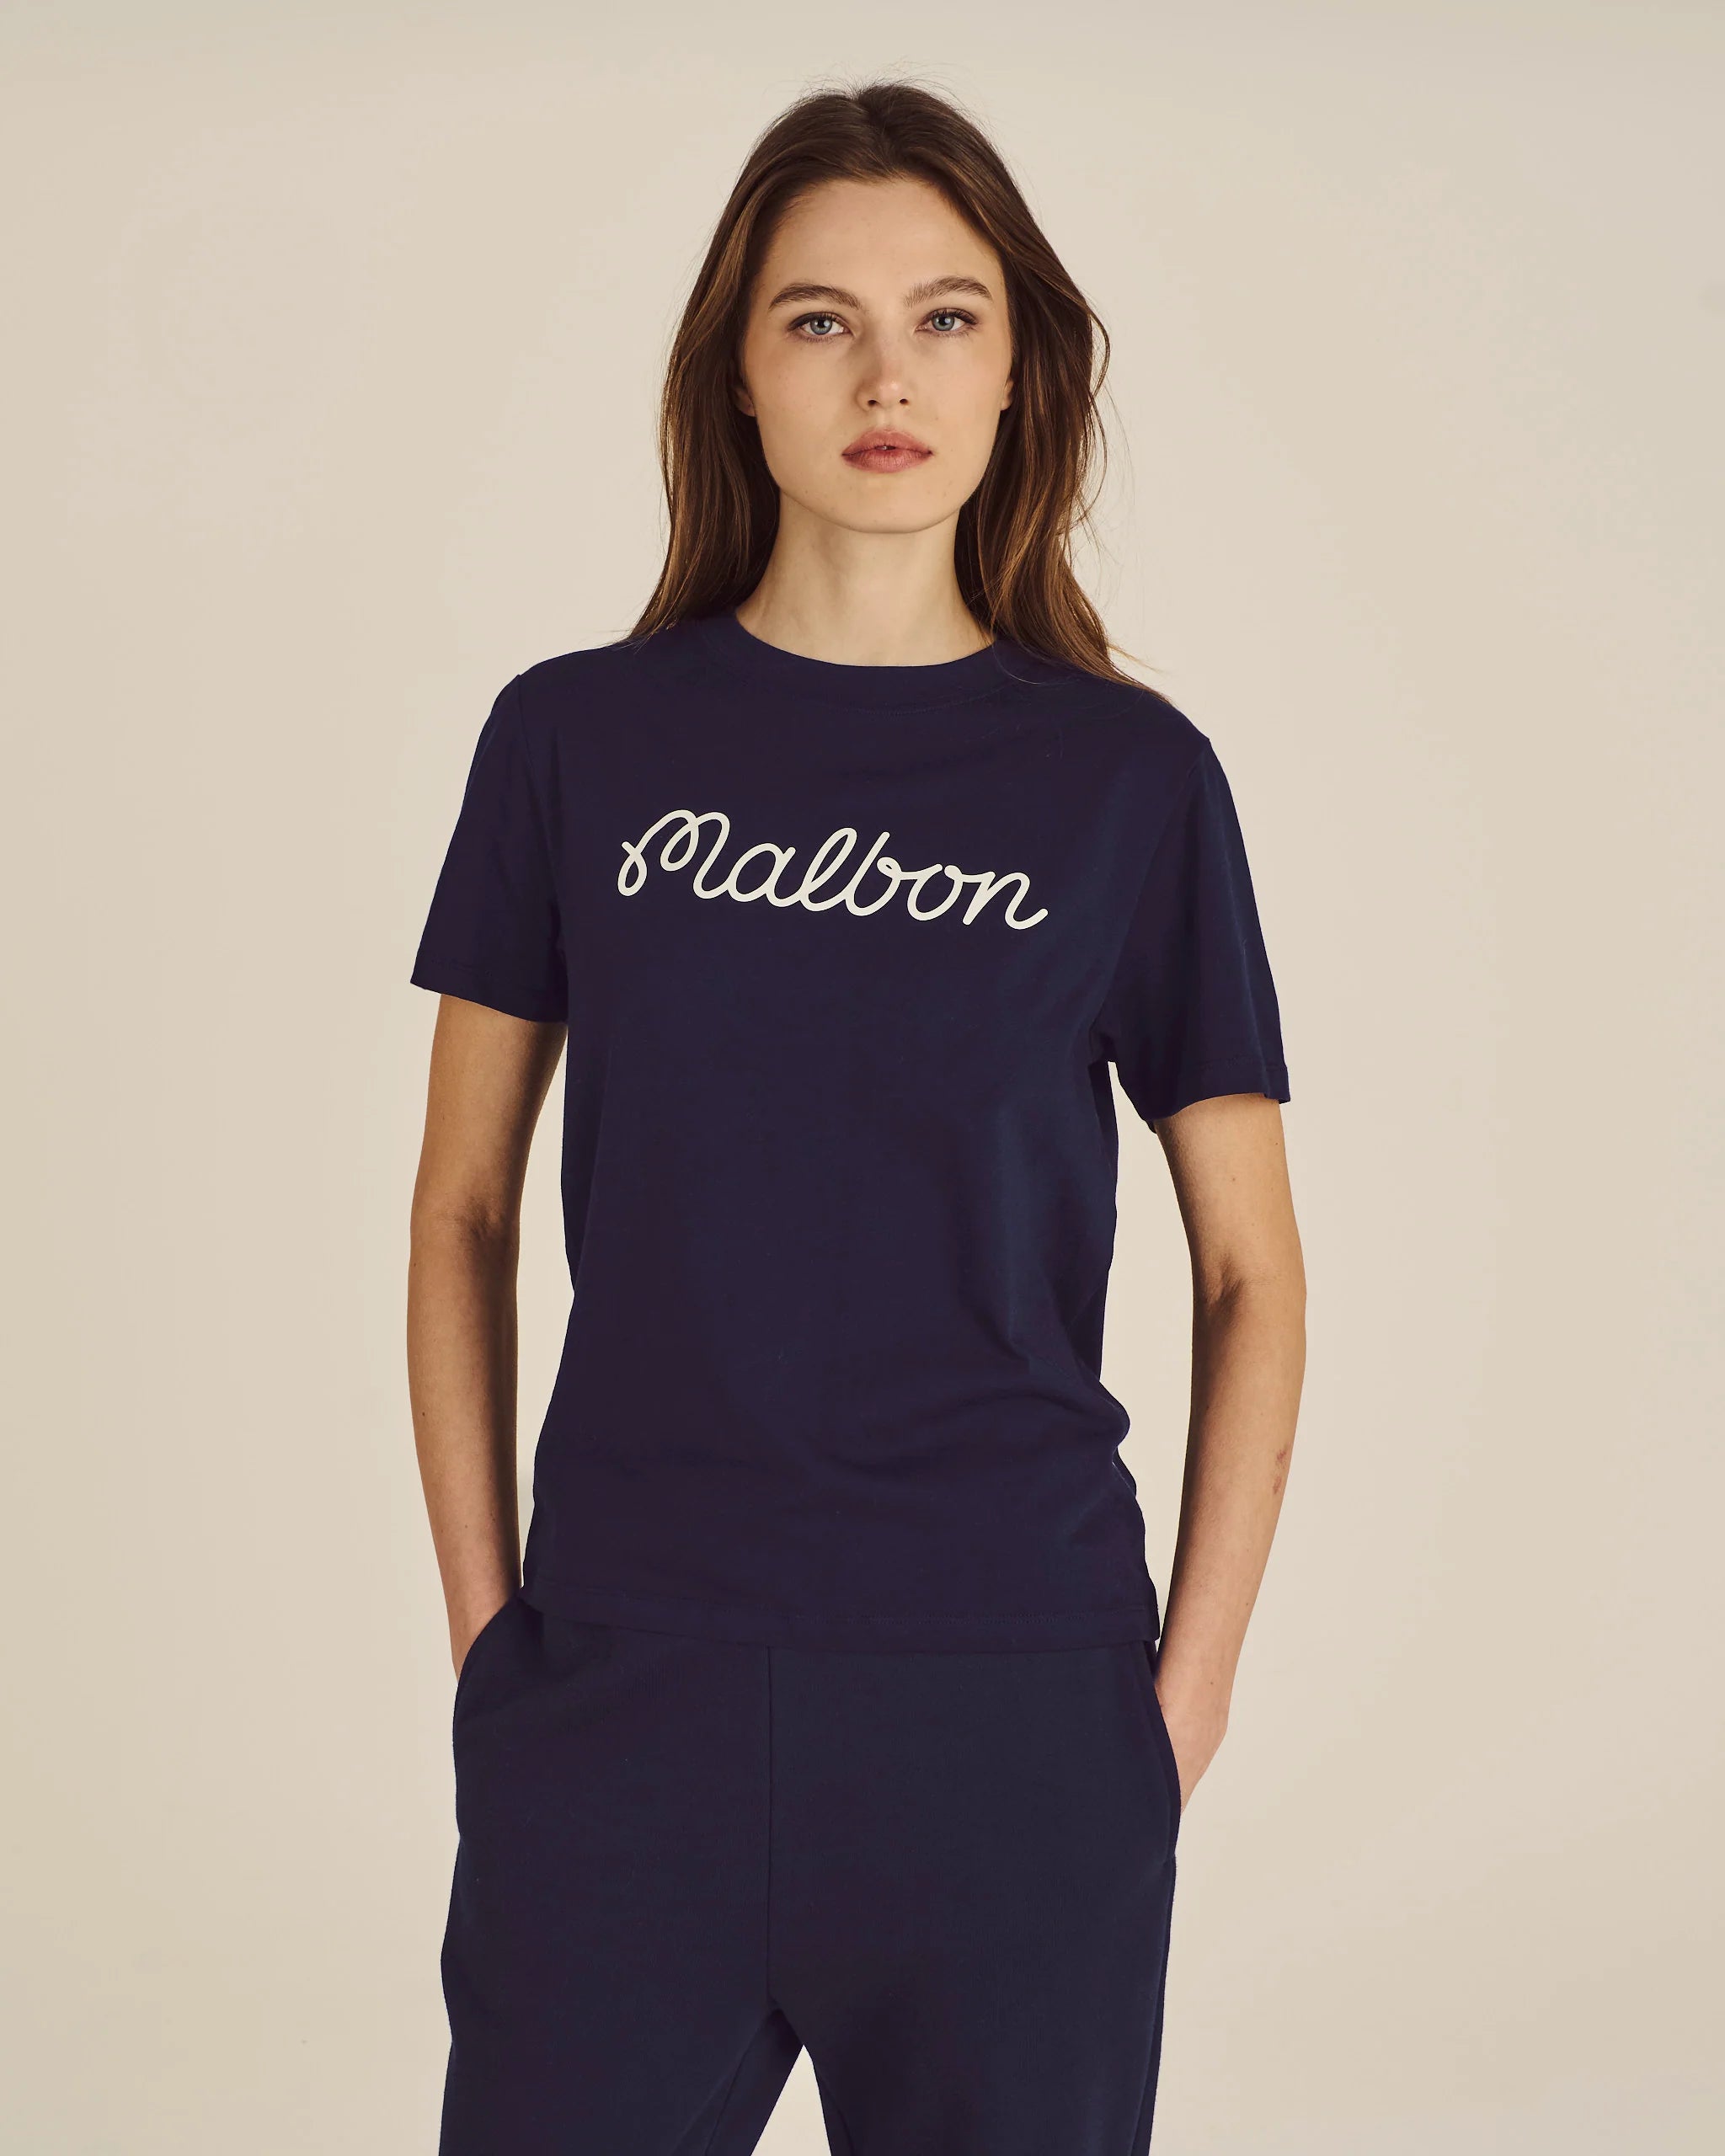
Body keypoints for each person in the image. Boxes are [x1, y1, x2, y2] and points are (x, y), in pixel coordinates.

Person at [405, 78, 1305, 2156]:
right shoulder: (574, 741)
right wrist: (492, 1644)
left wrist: (1175, 1707)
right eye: (819, 319)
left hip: (1012, 1701)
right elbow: (460, 1209)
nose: (885, 376)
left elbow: (1252, 1269)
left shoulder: (1129, 782)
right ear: (736, 370)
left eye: (944, 318)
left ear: (1017, 371)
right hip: (622, 1693)